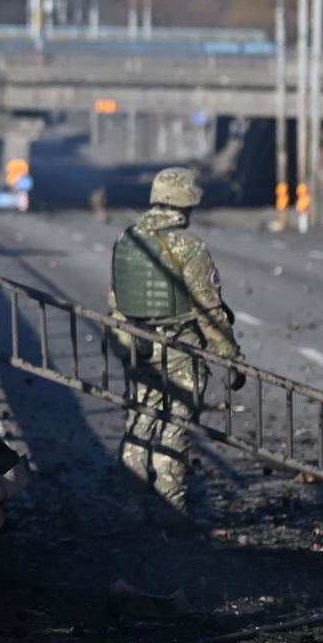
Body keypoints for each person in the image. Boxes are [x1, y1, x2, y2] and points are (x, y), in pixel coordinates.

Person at [108, 167, 244, 517]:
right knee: (175, 426)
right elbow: (208, 310)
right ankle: (172, 510)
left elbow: (116, 297)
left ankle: (132, 507)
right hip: (179, 349)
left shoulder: (128, 238)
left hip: (137, 346)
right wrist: (230, 358)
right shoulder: (189, 246)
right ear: (187, 203)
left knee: (139, 422)